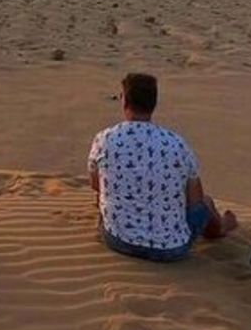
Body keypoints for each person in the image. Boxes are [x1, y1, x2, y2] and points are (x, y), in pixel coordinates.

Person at [89, 73, 236, 262]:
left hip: (118, 240)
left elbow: (95, 184)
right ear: (153, 104)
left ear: (124, 101)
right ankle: (221, 228)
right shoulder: (177, 143)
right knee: (206, 203)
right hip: (172, 248)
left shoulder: (104, 139)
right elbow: (195, 200)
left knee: (101, 196)